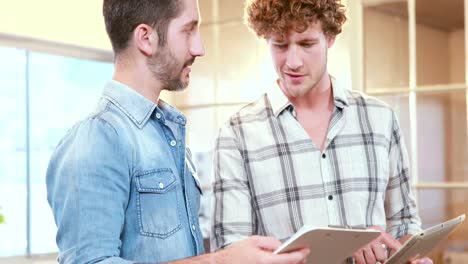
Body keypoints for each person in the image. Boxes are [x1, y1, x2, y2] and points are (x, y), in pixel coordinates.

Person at [46, 0, 310, 263]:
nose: (200, 48)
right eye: (189, 30)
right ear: (146, 38)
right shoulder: (97, 138)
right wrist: (221, 261)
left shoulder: (166, 134)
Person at [211, 1, 431, 263]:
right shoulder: (237, 134)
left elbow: (405, 225)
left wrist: (411, 256)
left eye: (306, 44)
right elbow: (232, 251)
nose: (292, 62)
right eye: (280, 44)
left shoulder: (380, 119)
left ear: (330, 37)